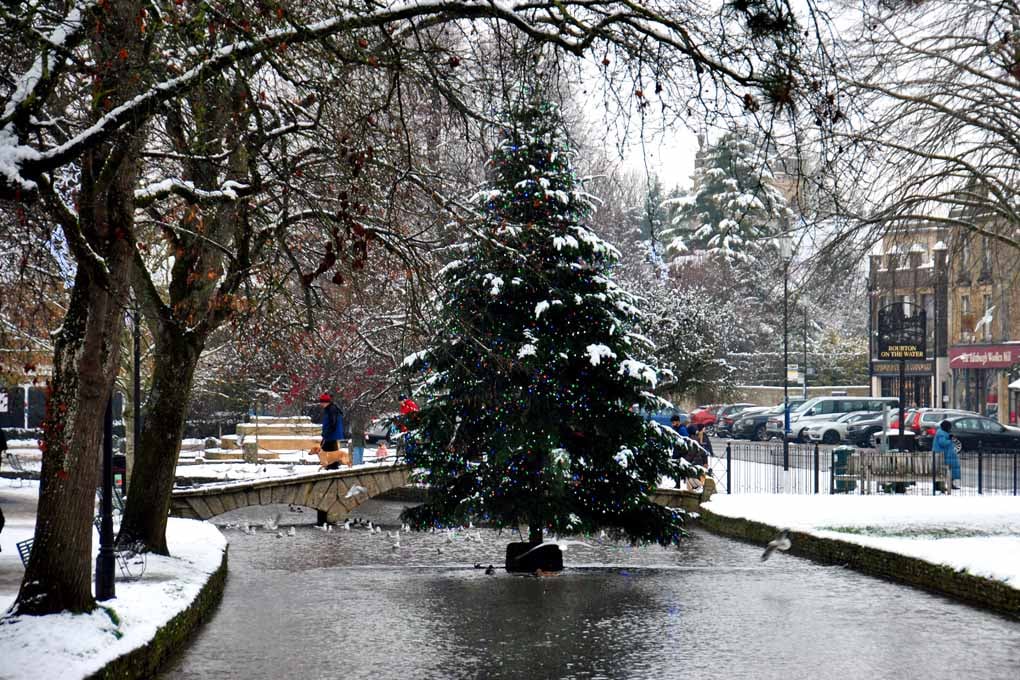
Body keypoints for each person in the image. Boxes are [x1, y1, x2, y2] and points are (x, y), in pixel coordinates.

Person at [932, 419, 961, 492]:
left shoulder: (942, 432)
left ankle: (949, 484)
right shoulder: (941, 433)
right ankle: (940, 485)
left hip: (945, 454)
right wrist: (950, 439)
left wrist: (949, 437)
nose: (950, 428)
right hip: (942, 455)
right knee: (943, 470)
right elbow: (943, 443)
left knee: (948, 470)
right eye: (949, 427)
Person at [318, 393, 345, 470]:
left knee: (329, 450)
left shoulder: (331, 409)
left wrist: (326, 433)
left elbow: (332, 423)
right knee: (330, 449)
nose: (321, 404)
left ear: (326, 402)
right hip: (331, 434)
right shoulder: (330, 409)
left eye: (322, 402)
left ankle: (332, 466)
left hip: (332, 434)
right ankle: (331, 466)